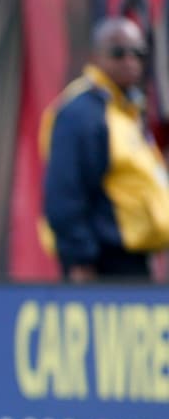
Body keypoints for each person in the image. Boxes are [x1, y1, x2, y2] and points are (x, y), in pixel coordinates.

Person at [41, 17, 169, 282]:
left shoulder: (125, 109)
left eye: (138, 53)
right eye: (118, 53)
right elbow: (65, 192)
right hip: (101, 263)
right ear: (96, 57)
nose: (130, 61)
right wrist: (80, 259)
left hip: (133, 258)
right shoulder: (82, 113)